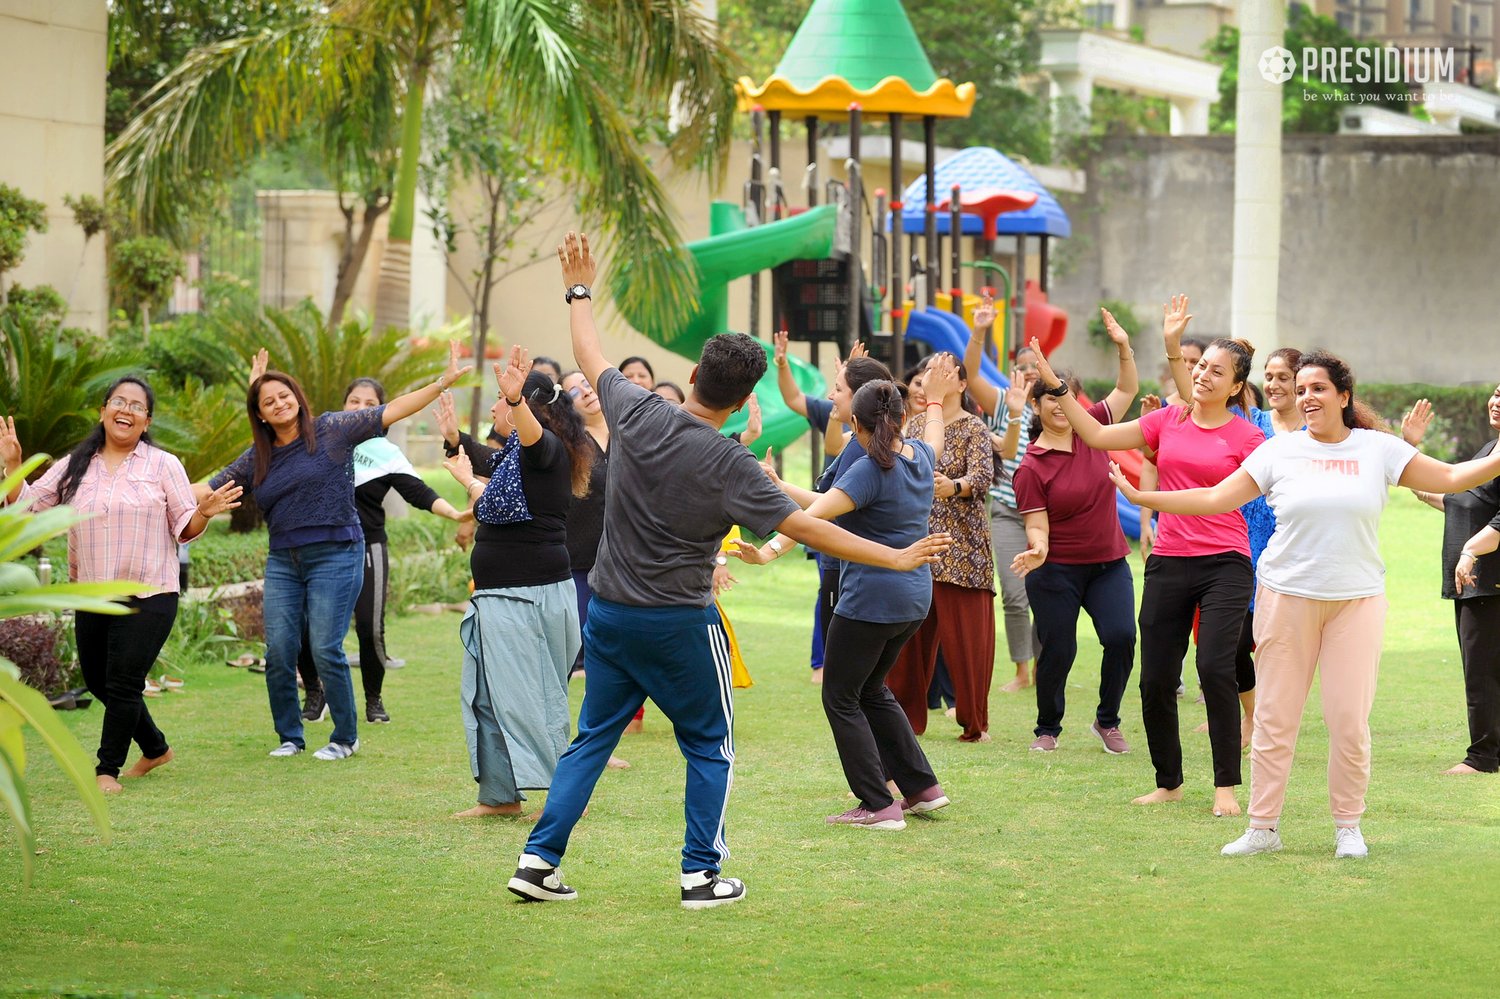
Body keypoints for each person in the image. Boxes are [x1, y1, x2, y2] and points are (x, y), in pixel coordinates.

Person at [507, 232, 949, 909]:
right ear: (745, 404)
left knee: (590, 739)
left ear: (693, 377)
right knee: (710, 742)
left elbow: (589, 352)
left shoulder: (635, 408)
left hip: (611, 614)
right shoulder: (732, 464)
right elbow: (808, 526)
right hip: (680, 622)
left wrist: (579, 288)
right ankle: (700, 874)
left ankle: (538, 862)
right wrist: (894, 553)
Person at [1112, 352, 1500, 857]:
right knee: (1275, 718)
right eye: (1301, 390)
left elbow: (1451, 478)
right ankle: (1262, 828)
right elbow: (1214, 498)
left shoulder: (1379, 449)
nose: (1306, 398)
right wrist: (1144, 499)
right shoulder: (1280, 451)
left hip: (1355, 603)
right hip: (1286, 597)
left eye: (1317, 388)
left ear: (1343, 395)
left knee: (1349, 721)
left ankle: (1348, 828)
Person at [1033, 296, 1259, 818]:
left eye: (1216, 371)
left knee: (1214, 666)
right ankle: (1170, 781)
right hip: (1169, 560)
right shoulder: (1168, 422)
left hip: (1225, 560)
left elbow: (1226, 499)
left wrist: (1144, 501)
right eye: (1200, 367)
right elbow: (1094, 434)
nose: (1203, 376)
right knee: (1156, 677)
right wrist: (1058, 387)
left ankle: (1226, 785)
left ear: (1235, 386)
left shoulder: (1248, 437)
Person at [205, 344, 472, 761]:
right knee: (278, 650)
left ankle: (345, 737)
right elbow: (207, 488)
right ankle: (290, 737)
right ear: (258, 413)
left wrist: (442, 382)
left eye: (285, 395)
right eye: (268, 400)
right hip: (284, 560)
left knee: (325, 645)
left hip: (337, 553)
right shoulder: (257, 456)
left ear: (299, 397)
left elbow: (394, 409)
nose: (279, 404)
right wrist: (153, 489)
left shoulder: (333, 428)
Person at [737, 372, 957, 829]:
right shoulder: (917, 457)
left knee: (840, 696)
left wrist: (768, 552)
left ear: (856, 425)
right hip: (914, 599)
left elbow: (810, 521)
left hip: (871, 602)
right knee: (872, 689)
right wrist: (935, 403)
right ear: (901, 419)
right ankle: (922, 789)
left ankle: (878, 804)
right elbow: (828, 501)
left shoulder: (868, 469)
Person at [1, 379, 241, 792]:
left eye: (136, 405)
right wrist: (12, 466)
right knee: (98, 681)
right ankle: (155, 747)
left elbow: (184, 527)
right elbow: (29, 508)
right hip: (92, 593)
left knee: (123, 683)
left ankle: (106, 770)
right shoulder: (75, 464)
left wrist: (204, 511)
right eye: (118, 401)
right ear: (103, 411)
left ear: (146, 420)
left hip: (150, 592)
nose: (125, 409)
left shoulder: (164, 465)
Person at [440, 349, 594, 818]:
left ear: (528, 409)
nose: (492, 410)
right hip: (500, 596)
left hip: (526, 596)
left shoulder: (545, 451)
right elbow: (482, 456)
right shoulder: (514, 459)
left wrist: (516, 402)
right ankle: (501, 797)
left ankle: (567, 797)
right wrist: (453, 439)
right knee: (486, 695)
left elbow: (531, 441)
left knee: (531, 697)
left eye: (500, 403)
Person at [294, 377, 469, 726]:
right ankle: (316, 692)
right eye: (353, 401)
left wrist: (453, 513)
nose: (360, 408)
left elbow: (417, 491)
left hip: (367, 546)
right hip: (318, 546)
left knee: (370, 628)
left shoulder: (385, 454)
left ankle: (373, 699)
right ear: (343, 406)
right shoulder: (318, 442)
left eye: (368, 402)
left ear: (381, 410)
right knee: (304, 625)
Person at [1009, 308, 1138, 754]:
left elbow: (1128, 388)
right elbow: (1036, 524)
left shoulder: (1095, 431)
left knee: (1121, 637)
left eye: (1066, 398)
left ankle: (1107, 721)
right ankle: (1048, 728)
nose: (1059, 406)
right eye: (1049, 398)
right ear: (1037, 405)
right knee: (1059, 648)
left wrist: (1123, 346)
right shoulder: (1031, 466)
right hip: (1056, 570)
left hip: (1107, 564)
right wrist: (1038, 550)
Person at [883, 352, 997, 743]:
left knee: (967, 640)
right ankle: (905, 718)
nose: (937, 376)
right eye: (931, 370)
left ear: (962, 384)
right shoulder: (913, 425)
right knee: (909, 638)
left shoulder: (974, 428)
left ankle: (973, 721)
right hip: (918, 542)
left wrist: (956, 486)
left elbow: (983, 477)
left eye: (946, 371)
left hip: (964, 548)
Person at [1413, 381, 1500, 775]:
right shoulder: (1489, 451)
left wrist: (1470, 551)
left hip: (1488, 578)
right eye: (1497, 394)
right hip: (1474, 578)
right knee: (1483, 667)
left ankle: (1482, 758)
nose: (1497, 403)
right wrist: (1410, 452)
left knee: (1481, 671)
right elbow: (1453, 496)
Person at [773, 330, 856, 684]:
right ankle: (822, 663)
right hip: (827, 515)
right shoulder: (832, 412)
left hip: (851, 518)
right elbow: (792, 397)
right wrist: (781, 364)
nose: (829, 394)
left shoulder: (880, 428)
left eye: (838, 387)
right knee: (829, 590)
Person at [965, 300, 1039, 693]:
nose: (1028, 371)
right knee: (1014, 594)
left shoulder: (1053, 407)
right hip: (1008, 511)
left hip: (1047, 513)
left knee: (1045, 594)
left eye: (1034, 365)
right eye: (1022, 365)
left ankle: (1046, 666)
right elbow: (971, 372)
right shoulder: (998, 402)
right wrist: (980, 331)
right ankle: (1022, 671)